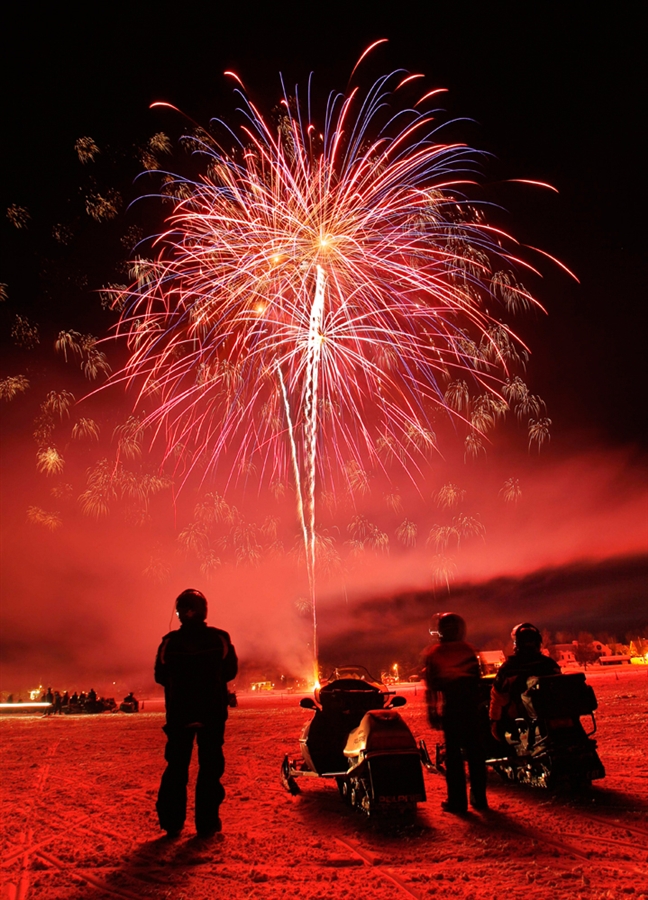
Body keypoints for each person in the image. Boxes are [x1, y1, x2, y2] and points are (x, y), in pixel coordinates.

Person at [155, 588, 238, 838]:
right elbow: (230, 671)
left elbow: (159, 676)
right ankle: (207, 823)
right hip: (211, 714)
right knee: (210, 769)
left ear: (179, 613)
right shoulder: (220, 638)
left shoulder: (169, 642)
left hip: (179, 715)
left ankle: (172, 822)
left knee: (176, 768)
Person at [423, 612, 487, 813]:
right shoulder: (470, 651)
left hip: (451, 709)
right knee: (476, 755)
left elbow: (431, 687)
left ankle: (457, 802)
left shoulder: (435, 654)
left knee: (454, 757)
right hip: (471, 708)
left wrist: (432, 711)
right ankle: (479, 798)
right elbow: (479, 681)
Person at [489, 622, 561, 741]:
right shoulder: (549, 664)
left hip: (524, 720)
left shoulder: (509, 668)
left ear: (517, 644)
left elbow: (498, 698)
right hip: (555, 715)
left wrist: (495, 722)